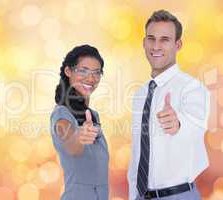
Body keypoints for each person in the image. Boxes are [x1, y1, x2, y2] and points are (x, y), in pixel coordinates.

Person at [127, 10, 210, 200]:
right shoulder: (140, 94)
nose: (156, 46)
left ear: (178, 44)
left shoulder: (192, 88)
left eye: (165, 39)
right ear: (144, 43)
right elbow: (137, 153)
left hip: (178, 195)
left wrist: (178, 124)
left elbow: (196, 126)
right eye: (151, 38)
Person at [50, 44, 109, 200]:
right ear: (68, 71)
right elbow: (71, 146)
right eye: (83, 71)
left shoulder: (93, 116)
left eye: (97, 73)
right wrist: (79, 137)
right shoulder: (62, 115)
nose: (91, 78)